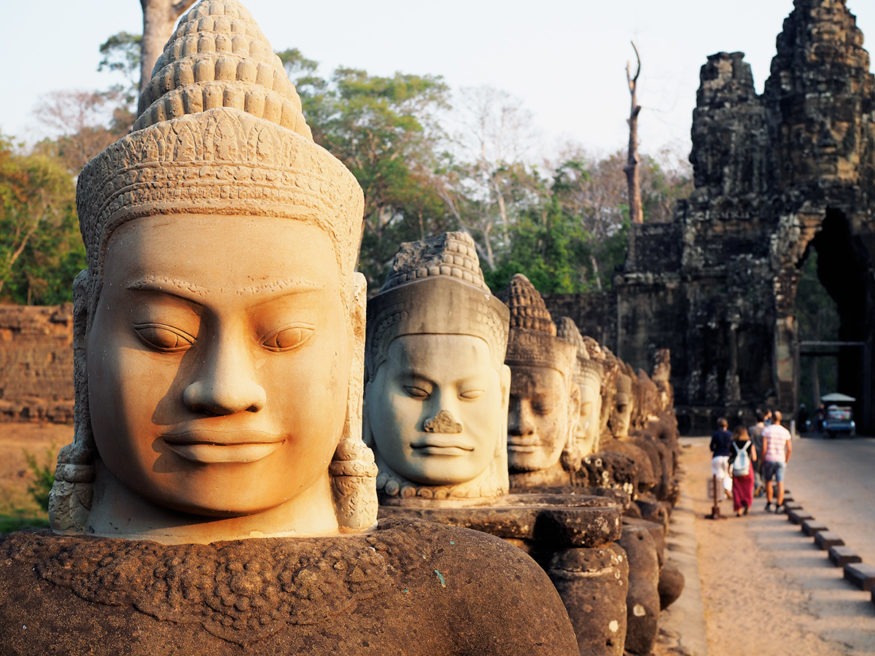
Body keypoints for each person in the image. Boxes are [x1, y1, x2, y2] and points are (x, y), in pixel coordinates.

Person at [0, 2, 580, 653]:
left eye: (284, 337)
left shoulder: (485, 600)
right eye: (164, 336)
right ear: (83, 334)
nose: (224, 390)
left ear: (352, 335)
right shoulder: (14, 604)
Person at [762, 409, 793, 512]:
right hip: (780, 459)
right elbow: (789, 449)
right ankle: (779, 505)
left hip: (769, 458)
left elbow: (764, 448)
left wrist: (763, 459)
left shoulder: (767, 430)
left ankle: (769, 502)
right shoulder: (785, 431)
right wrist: (786, 461)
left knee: (768, 482)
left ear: (772, 419)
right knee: (780, 483)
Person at [729, 425, 756, 516]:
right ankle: (747, 505)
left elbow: (731, 457)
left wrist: (729, 468)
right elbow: (754, 457)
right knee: (748, 489)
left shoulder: (733, 443)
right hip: (747, 468)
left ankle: (739, 509)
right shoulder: (749, 443)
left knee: (737, 489)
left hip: (736, 469)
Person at [709, 417, 733, 501]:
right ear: (727, 425)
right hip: (727, 456)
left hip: (717, 456)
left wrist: (715, 449)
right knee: (727, 475)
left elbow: (711, 447)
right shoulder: (730, 434)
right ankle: (727, 490)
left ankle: (719, 495)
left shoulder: (715, 434)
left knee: (718, 476)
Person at [748, 409, 767, 497]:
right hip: (765, 453)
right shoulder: (766, 429)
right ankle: (762, 487)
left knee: (755, 471)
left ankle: (758, 485)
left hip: (754, 453)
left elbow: (749, 442)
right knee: (763, 471)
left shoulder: (751, 429)